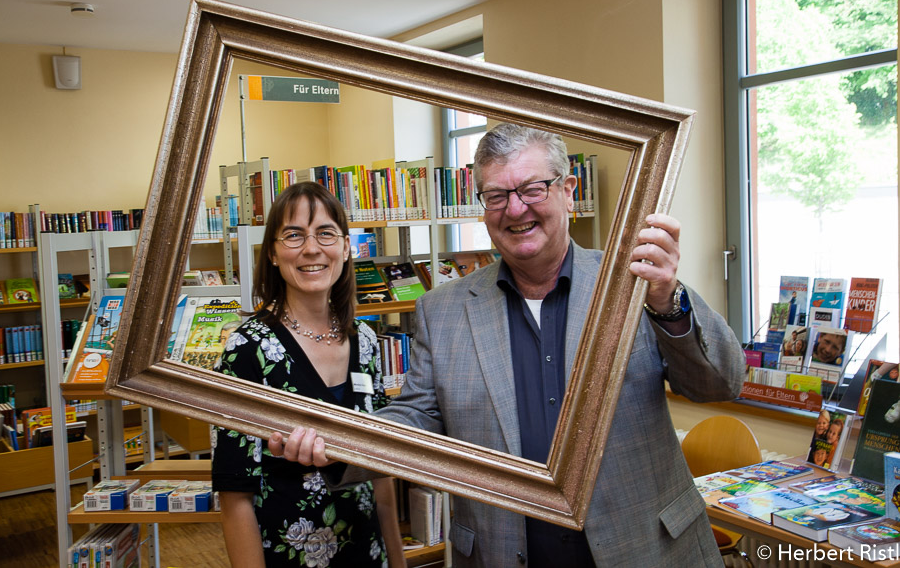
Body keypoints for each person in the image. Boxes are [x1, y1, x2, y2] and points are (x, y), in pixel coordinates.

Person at [271, 123, 745, 566]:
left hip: (645, 548)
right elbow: (416, 419)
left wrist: (668, 302)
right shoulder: (443, 311)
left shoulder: (635, 282)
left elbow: (719, 381)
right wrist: (338, 444)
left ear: (568, 191)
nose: (516, 209)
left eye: (532, 189)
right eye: (497, 195)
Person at [211, 182, 405, 567]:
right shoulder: (246, 349)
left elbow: (381, 473)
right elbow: (235, 497)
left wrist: (397, 560)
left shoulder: (365, 340)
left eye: (326, 233)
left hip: (368, 555)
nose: (312, 248)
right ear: (273, 252)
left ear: (347, 248)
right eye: (294, 235)